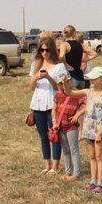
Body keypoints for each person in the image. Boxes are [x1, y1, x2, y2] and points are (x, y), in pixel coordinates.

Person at [30, 36, 72, 174]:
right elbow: (31, 87)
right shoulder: (36, 65)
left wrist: (48, 77)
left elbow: (59, 88)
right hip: (37, 104)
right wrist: (36, 77)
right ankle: (46, 165)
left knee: (54, 135)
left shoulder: (59, 66)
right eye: (41, 50)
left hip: (53, 105)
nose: (44, 53)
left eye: (47, 50)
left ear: (52, 50)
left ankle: (55, 167)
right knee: (43, 136)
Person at [69, 66, 102, 194]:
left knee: (99, 157)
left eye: (94, 78)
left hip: (99, 130)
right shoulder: (88, 92)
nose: (91, 80)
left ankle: (100, 183)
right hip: (89, 129)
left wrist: (100, 133)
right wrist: (65, 83)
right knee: (92, 156)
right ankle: (92, 181)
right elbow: (70, 92)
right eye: (91, 78)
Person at [53, 86, 85, 181]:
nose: (62, 86)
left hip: (72, 127)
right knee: (65, 150)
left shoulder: (77, 94)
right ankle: (68, 172)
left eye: (64, 83)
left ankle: (76, 174)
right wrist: (54, 122)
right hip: (60, 126)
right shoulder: (58, 94)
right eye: (60, 84)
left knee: (74, 150)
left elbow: (89, 104)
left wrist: (78, 115)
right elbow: (54, 109)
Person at [59, 25, 98, 90]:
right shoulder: (80, 44)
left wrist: (66, 65)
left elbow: (61, 56)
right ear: (74, 33)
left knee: (69, 96)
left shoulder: (64, 44)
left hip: (71, 78)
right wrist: (85, 60)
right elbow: (94, 54)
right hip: (80, 78)